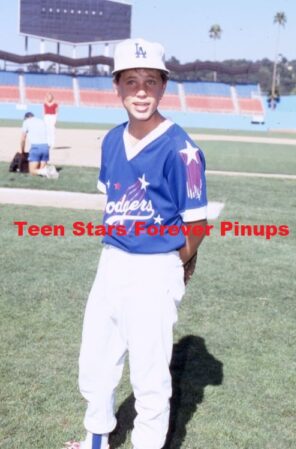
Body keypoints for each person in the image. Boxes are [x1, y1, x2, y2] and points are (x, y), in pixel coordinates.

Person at [65, 38, 208, 449]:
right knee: (96, 359)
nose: (141, 91)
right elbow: (113, 201)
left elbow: (196, 223)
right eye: (131, 81)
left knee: (149, 373)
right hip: (111, 261)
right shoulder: (112, 140)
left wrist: (174, 261)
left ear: (164, 87)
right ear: (117, 87)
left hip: (154, 267)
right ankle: (96, 439)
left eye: (150, 81)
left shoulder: (183, 150)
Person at [21, 112, 58, 178]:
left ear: (26, 118)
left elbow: (23, 139)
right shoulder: (42, 121)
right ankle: (47, 171)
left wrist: (22, 151)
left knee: (32, 172)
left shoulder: (26, 122)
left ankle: (48, 171)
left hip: (36, 148)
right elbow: (49, 134)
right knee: (40, 171)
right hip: (45, 147)